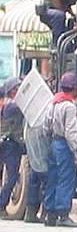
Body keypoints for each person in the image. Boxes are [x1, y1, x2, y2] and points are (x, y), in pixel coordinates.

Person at [42, 72, 77, 227]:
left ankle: (50, 214)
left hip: (53, 143)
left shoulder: (53, 102)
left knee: (52, 177)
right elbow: (71, 133)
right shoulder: (69, 106)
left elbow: (45, 126)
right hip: (64, 145)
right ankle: (63, 214)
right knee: (65, 178)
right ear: (73, 88)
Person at [0, 77, 24, 219]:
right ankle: (1, 204)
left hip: (10, 144)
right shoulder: (10, 105)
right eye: (17, 88)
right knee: (13, 176)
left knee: (12, 176)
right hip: (9, 145)